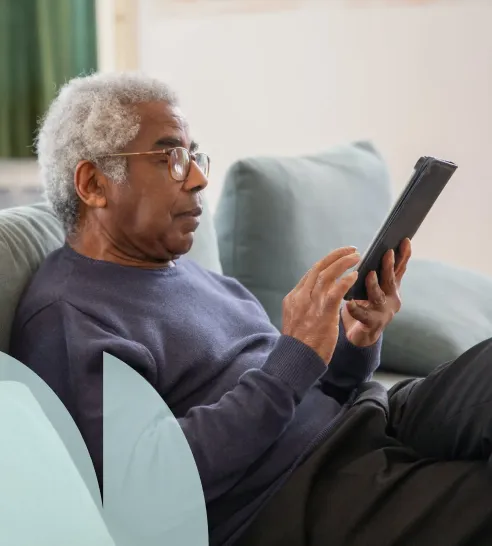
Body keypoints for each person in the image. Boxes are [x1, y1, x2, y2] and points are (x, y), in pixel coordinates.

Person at [9, 72, 492, 546]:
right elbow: (148, 489)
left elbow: (319, 387)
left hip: (372, 417)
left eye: (194, 156)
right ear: (94, 184)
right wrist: (293, 358)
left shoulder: (195, 275)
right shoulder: (69, 316)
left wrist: (354, 343)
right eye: (170, 157)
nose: (197, 179)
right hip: (300, 490)